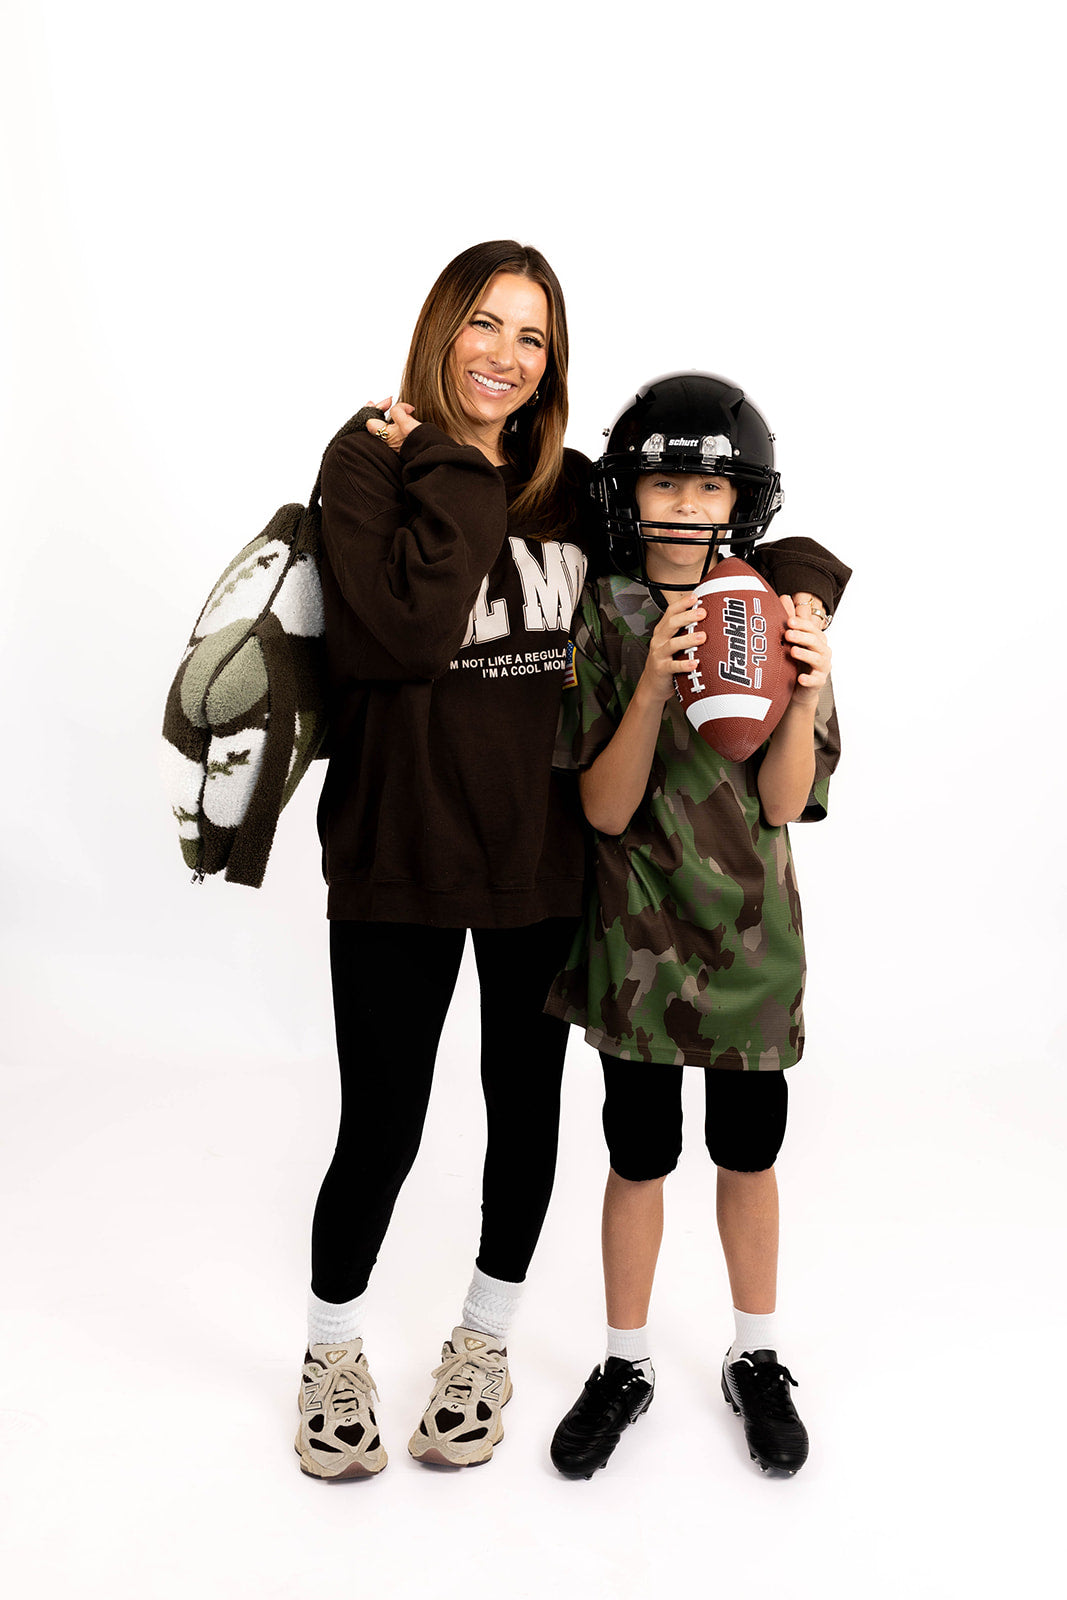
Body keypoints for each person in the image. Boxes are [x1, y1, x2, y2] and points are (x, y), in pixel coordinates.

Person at [297, 240, 601, 1477]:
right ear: (442, 327)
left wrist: (799, 589)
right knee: (381, 1122)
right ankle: (329, 1348)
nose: (505, 357)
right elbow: (405, 631)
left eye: (533, 338)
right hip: (397, 852)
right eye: (486, 325)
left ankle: (483, 1341)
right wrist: (447, 458)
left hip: (537, 858)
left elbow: (703, 536)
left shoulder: (573, 490)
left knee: (523, 1114)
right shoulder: (369, 460)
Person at [544, 372, 850, 1479]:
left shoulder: (779, 615)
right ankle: (624, 1359)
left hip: (750, 949)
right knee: (637, 1154)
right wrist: (646, 687)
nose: (681, 503)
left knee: (746, 1150)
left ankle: (754, 1353)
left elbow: (781, 803)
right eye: (663, 478)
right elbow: (604, 807)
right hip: (633, 948)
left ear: (742, 500)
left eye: (705, 484)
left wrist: (803, 698)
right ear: (630, 487)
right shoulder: (605, 609)